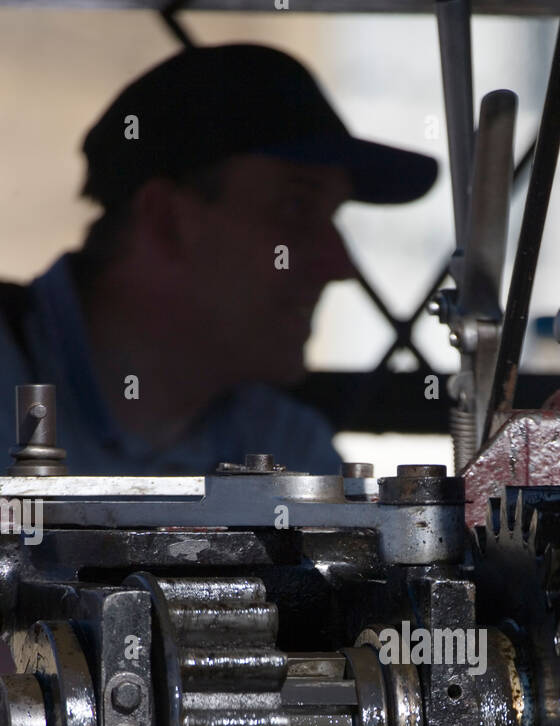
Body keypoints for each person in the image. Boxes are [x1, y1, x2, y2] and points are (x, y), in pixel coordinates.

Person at [0, 43, 437, 476]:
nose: (339, 264)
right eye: (296, 208)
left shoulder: (281, 443)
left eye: (333, 217)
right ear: (166, 219)